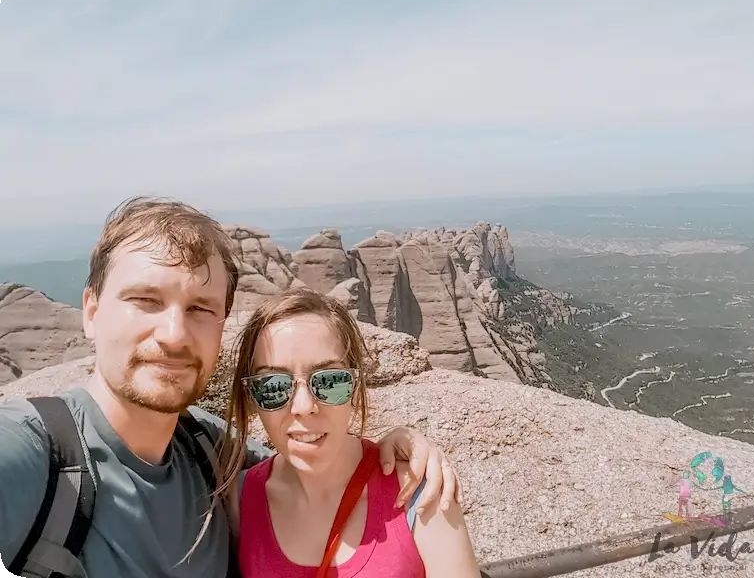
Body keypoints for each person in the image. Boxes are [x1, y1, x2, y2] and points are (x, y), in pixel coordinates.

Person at [0, 197, 462, 578]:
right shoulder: (32, 456)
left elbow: (310, 456)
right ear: (92, 311)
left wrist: (400, 446)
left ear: (221, 327)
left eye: (201, 308)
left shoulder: (209, 453)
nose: (174, 334)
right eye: (146, 300)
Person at [217, 288, 482, 577]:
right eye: (273, 386)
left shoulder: (421, 495)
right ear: (251, 397)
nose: (304, 407)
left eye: (330, 381)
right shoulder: (239, 501)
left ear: (356, 388)